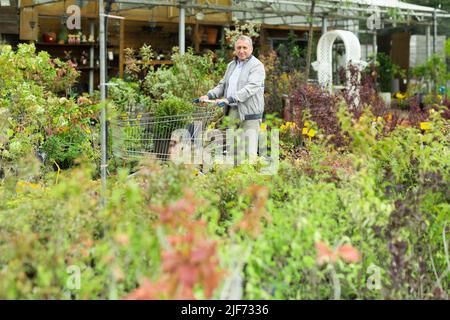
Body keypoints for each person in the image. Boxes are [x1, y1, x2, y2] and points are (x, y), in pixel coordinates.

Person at [199, 35, 265, 163]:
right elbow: (223, 85)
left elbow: (250, 88)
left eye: (245, 48)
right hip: (233, 112)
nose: (241, 51)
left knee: (247, 153)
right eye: (238, 47)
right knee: (233, 150)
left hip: (249, 114)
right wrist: (209, 95)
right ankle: (234, 179)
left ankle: (249, 181)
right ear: (235, 49)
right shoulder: (231, 65)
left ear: (251, 48)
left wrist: (228, 99)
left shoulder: (257, 66)